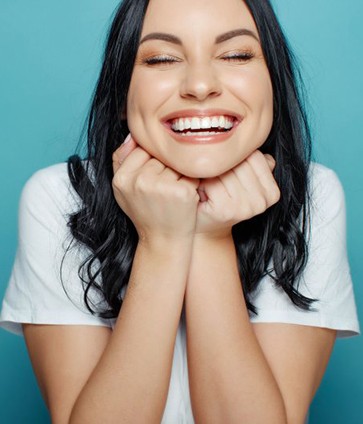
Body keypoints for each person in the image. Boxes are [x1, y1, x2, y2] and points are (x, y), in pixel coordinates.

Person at [0, 0, 359, 422]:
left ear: (274, 84)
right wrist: (163, 242)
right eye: (162, 58)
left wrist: (210, 236)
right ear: (120, 94)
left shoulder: (311, 195)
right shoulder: (61, 197)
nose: (201, 84)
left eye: (236, 55)